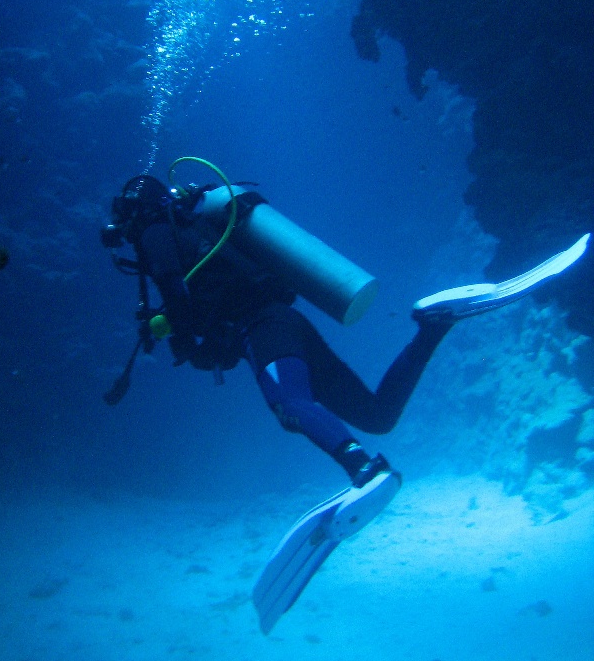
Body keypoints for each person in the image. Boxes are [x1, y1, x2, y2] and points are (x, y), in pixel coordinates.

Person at [101, 169, 589, 504]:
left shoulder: (154, 234)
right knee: (377, 415)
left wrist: (185, 341)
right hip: (284, 322)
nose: (120, 230)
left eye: (121, 219)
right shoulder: (197, 227)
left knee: (290, 404)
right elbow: (198, 296)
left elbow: (175, 290)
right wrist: (182, 329)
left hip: (264, 329)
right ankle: (433, 328)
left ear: (133, 211)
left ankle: (365, 469)